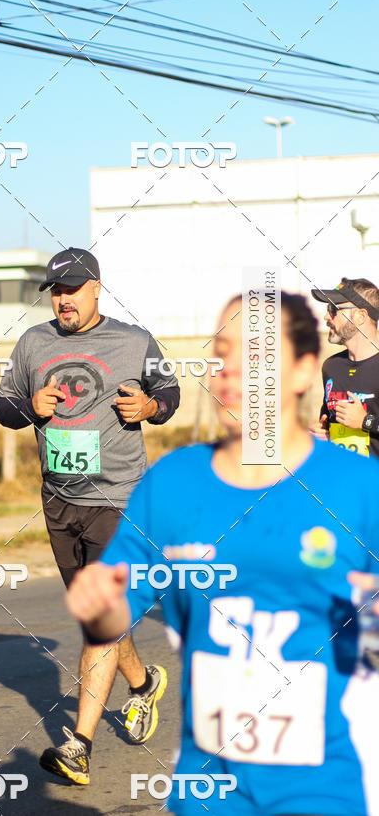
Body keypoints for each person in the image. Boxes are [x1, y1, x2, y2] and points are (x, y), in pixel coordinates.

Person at [67, 292, 379, 815]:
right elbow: (116, 614)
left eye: (255, 355)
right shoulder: (171, 484)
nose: (230, 369)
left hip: (327, 790)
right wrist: (100, 605)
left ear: (305, 371)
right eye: (221, 353)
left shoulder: (360, 490)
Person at [0, 247, 180, 785]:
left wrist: (149, 407)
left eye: (72, 289)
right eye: (56, 291)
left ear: (96, 287)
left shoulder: (134, 341)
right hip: (59, 499)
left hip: (119, 498)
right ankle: (143, 685)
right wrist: (30, 407)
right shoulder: (33, 343)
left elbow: (170, 394)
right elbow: (4, 407)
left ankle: (78, 746)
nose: (63, 300)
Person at [310, 277, 379, 458]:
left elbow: (364, 422)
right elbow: (328, 422)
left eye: (333, 309)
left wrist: (365, 421)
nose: (326, 317)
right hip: (341, 474)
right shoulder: (332, 366)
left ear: (360, 316)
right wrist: (322, 434)